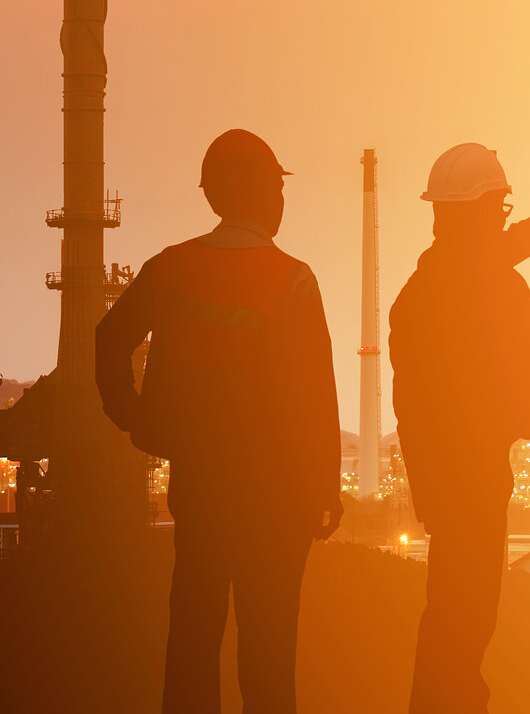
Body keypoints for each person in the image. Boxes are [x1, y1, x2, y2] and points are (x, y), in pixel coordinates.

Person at [96, 129, 342, 714]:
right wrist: (324, 487)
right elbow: (317, 398)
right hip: (277, 504)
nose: (283, 200)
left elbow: (109, 340)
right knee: (268, 660)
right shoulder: (293, 280)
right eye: (277, 187)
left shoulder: (170, 268)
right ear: (254, 192)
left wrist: (136, 418)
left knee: (191, 647)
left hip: (201, 492)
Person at [389, 142, 530, 713]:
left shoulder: (414, 300)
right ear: (480, 211)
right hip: (479, 481)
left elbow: (408, 409)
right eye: (498, 207)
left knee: (448, 614)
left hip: (443, 488)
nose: (502, 218)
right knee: (470, 616)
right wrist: (516, 423)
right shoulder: (496, 285)